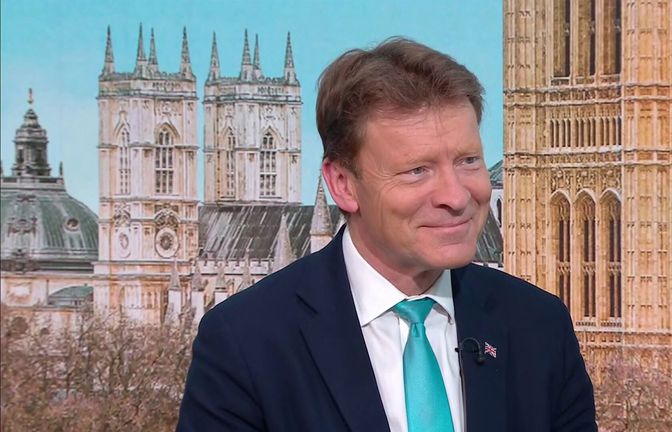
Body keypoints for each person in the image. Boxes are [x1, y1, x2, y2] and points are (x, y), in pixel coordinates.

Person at [177, 37, 596, 432]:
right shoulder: (246, 343)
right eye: (418, 170)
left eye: (468, 161)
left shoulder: (538, 326)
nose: (456, 196)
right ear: (343, 184)